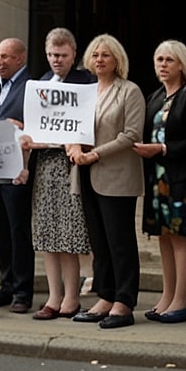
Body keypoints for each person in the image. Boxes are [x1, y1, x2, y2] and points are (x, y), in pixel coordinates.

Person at [66, 34, 145, 329]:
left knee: (119, 241)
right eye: (96, 55)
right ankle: (105, 296)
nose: (100, 59)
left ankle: (124, 302)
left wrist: (95, 155)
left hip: (116, 175)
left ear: (117, 60)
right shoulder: (85, 92)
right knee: (99, 242)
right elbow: (69, 126)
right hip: (84, 174)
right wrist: (72, 148)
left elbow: (131, 135)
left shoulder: (130, 91)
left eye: (106, 55)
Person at [133, 40, 186, 323]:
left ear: (181, 65)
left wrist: (163, 149)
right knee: (163, 237)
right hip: (156, 178)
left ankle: (181, 301)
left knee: (179, 237)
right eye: (159, 59)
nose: (162, 65)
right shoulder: (155, 97)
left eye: (169, 60)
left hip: (180, 178)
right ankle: (167, 296)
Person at [23, 28, 92, 319]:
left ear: (73, 54)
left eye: (62, 55)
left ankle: (72, 298)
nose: (56, 60)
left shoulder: (85, 82)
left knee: (69, 235)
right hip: (45, 166)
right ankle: (53, 297)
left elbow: (88, 127)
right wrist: (27, 141)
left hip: (70, 166)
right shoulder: (40, 84)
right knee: (47, 235)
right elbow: (32, 126)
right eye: (52, 54)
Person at [0, 37, 33, 312]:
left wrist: (23, 126)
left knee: (18, 231)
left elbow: (40, 125)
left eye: (7, 57)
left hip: (17, 172)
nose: (1, 61)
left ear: (20, 59)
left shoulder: (30, 88)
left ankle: (22, 292)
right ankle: (6, 285)